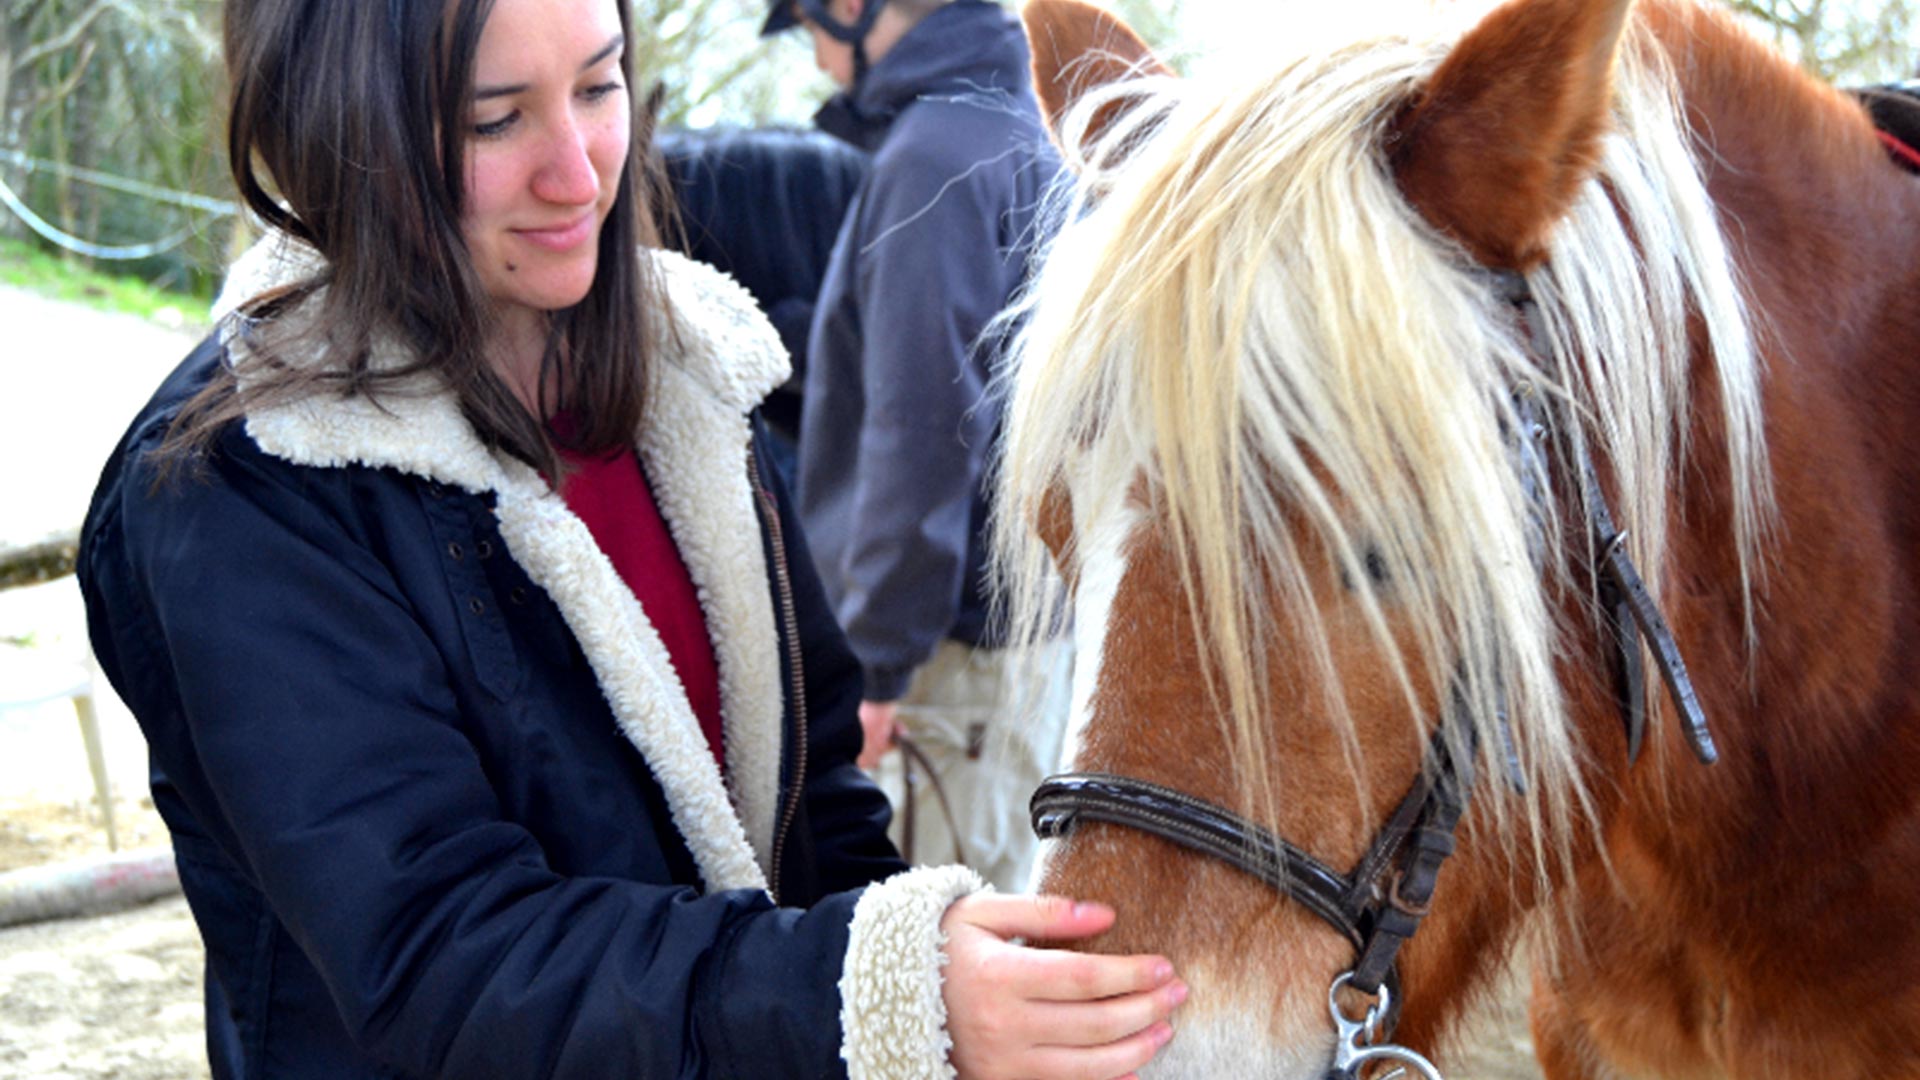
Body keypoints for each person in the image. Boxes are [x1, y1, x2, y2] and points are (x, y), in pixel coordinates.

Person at [76, 1, 1185, 1077]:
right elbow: (440, 955)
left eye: (599, 85)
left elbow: (812, 801)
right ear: (342, 130)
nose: (579, 171)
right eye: (493, 120)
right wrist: (873, 994)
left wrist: (934, 978)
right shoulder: (243, 490)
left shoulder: (689, 373)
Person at [761, 0, 1068, 892]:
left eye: (812, 29)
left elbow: (923, 430)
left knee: (940, 950)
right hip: (1014, 633)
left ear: (852, 9)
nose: (819, 61)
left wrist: (877, 667)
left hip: (945, 657)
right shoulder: (1020, 130)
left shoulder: (931, 157)